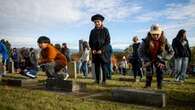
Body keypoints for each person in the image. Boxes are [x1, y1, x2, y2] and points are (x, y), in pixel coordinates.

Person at [138, 24, 174, 89]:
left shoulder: (165, 40)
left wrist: (164, 60)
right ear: (150, 33)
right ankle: (148, 85)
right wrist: (145, 60)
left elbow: (171, 52)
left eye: (157, 34)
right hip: (148, 58)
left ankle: (159, 85)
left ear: (161, 33)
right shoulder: (145, 41)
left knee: (160, 70)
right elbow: (140, 52)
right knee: (149, 71)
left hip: (160, 59)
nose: (156, 36)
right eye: (153, 34)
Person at [89, 14, 111, 85]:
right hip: (95, 52)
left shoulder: (105, 30)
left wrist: (102, 50)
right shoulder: (92, 31)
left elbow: (108, 41)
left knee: (104, 66)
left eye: (98, 21)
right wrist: (93, 49)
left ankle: (104, 81)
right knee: (97, 67)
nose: (97, 23)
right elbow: (90, 42)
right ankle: (97, 80)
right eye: (95, 22)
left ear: (101, 22)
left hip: (103, 52)